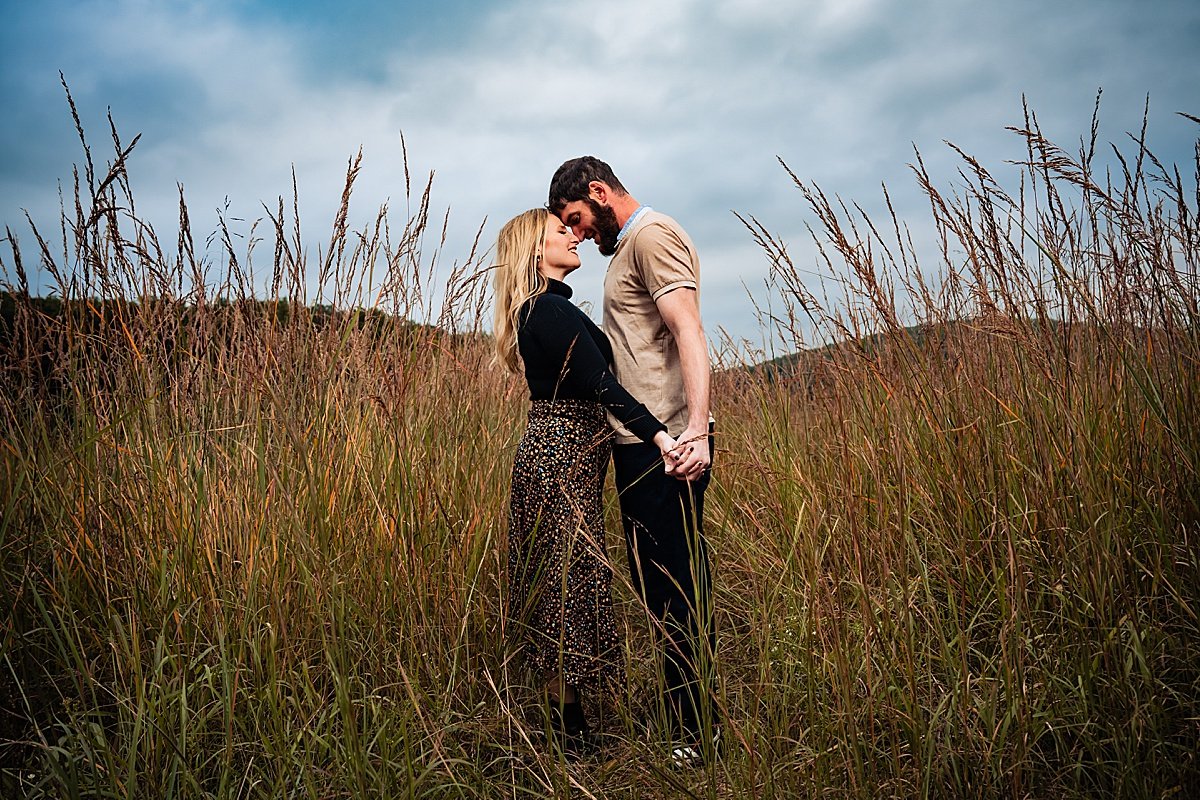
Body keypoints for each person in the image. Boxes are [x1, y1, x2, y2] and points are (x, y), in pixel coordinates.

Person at [548, 156, 718, 766]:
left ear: (598, 192)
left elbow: (688, 330)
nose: (579, 232)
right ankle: (687, 717)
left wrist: (694, 430)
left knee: (675, 589)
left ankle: (696, 735)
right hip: (645, 447)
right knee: (659, 588)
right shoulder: (625, 251)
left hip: (668, 447)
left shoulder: (651, 236)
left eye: (578, 218)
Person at [492, 208, 679, 756]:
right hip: (559, 457)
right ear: (534, 251)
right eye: (560, 231)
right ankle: (570, 741)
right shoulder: (547, 310)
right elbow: (604, 387)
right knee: (561, 588)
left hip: (561, 456)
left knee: (561, 586)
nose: (574, 235)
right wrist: (660, 436)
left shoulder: (546, 310)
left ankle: (570, 732)